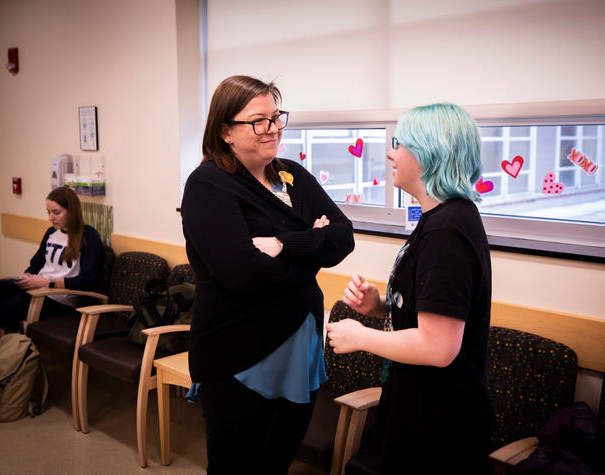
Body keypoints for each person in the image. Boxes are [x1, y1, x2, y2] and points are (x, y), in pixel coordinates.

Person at [180, 75, 355, 474]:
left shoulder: (290, 174)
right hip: (239, 356)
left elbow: (343, 238)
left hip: (300, 349)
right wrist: (313, 242)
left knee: (276, 463)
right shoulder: (209, 185)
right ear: (225, 131)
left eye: (276, 117)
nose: (273, 128)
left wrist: (283, 245)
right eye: (259, 120)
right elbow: (243, 273)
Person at [326, 103, 492, 473]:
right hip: (416, 406)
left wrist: (360, 336)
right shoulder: (440, 219)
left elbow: (438, 347)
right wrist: (382, 307)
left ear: (429, 154)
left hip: (440, 424)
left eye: (400, 144)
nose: (390, 153)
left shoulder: (448, 230)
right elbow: (433, 310)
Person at [0, 186, 102, 339]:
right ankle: (4, 351)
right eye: (48, 212)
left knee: (8, 307)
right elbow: (36, 264)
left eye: (56, 213)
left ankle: (10, 350)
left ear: (72, 211)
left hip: (59, 299)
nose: (50, 218)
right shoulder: (51, 232)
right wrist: (27, 276)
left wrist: (47, 282)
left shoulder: (89, 236)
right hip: (38, 288)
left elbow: (87, 281)